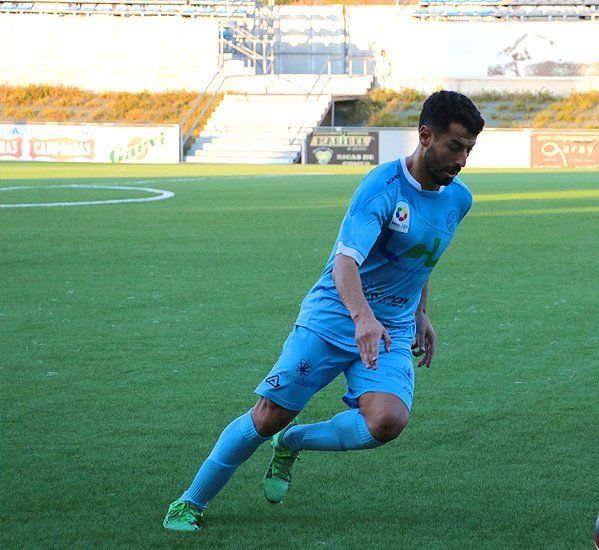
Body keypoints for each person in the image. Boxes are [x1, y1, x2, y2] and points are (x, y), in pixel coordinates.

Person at [163, 91, 484, 530]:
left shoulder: (458, 199)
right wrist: (363, 318)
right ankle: (189, 502)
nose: (462, 159)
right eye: (455, 146)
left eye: (469, 149)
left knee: (387, 421)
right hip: (335, 316)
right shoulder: (381, 188)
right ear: (425, 135)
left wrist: (421, 313)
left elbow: (423, 257)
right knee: (268, 415)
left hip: (389, 326)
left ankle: (293, 442)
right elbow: (345, 262)